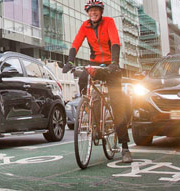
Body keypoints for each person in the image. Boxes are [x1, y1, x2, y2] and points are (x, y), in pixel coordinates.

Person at [62, 0, 132, 163]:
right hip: (94, 63)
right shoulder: (85, 26)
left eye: (96, 10)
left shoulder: (109, 22)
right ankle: (88, 110)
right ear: (88, 12)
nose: (93, 12)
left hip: (110, 65)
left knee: (117, 104)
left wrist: (114, 62)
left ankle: (125, 147)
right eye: (91, 10)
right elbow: (76, 43)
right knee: (83, 78)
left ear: (101, 11)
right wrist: (70, 61)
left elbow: (115, 41)